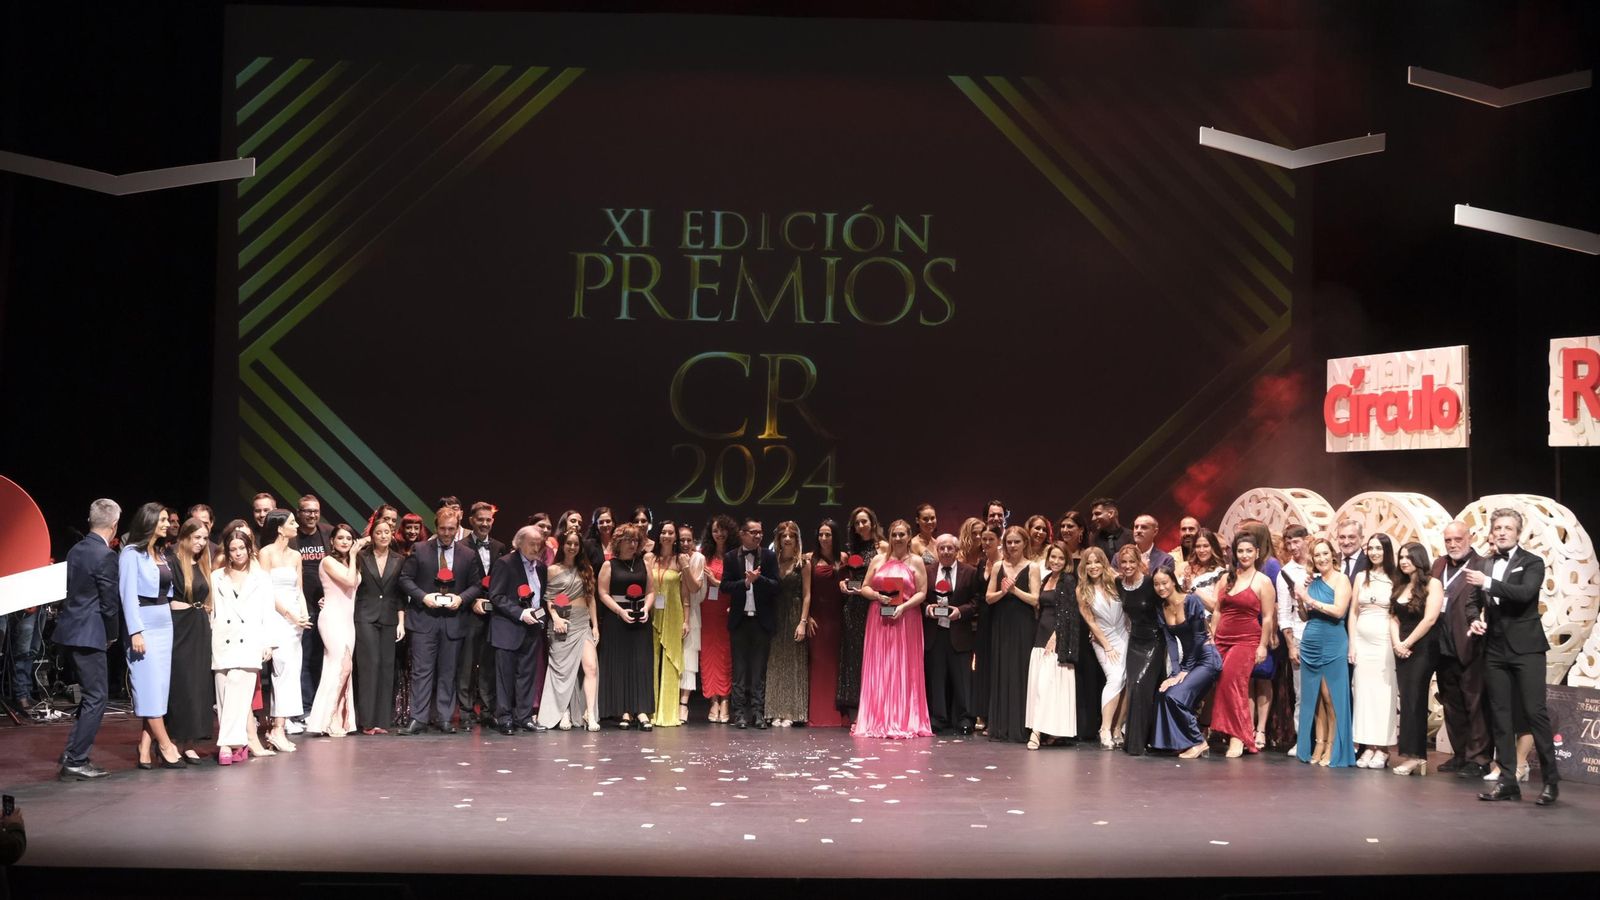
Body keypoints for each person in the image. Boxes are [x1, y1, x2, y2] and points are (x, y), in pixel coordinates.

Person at [1469, 508, 1560, 805]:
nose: (1502, 532)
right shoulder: (1485, 563)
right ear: (1492, 532)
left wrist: (1487, 583)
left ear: (1518, 533)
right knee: (1501, 716)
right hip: (1495, 649)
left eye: (1508, 527)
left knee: (1535, 713)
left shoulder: (1532, 562)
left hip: (1527, 648)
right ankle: (1508, 780)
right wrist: (1475, 618)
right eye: (1498, 527)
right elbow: (1472, 601)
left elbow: (1524, 594)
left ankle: (1550, 781)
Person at [397, 506, 483, 735]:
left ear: (457, 530)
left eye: (451, 529)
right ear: (436, 527)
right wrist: (423, 597)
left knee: (448, 671)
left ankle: (445, 718)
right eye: (443, 529)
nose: (447, 534)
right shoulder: (420, 549)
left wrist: (461, 598)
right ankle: (418, 718)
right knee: (421, 671)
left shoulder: (468, 554)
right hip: (424, 619)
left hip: (454, 621)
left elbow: (477, 585)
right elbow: (405, 579)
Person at [57, 499, 122, 781]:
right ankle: (76, 759)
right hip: (90, 633)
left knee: (90, 696)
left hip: (69, 631)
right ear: (114, 525)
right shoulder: (105, 556)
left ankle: (72, 752)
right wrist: (112, 635)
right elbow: (109, 603)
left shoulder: (76, 550)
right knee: (97, 697)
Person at [119, 502, 185, 770]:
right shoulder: (130, 554)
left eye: (168, 520)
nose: (167, 524)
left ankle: (145, 747)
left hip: (164, 623)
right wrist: (135, 630)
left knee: (159, 689)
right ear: (148, 522)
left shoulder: (161, 553)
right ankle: (167, 746)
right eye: (162, 520)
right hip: (143, 624)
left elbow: (168, 594)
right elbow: (127, 596)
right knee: (148, 687)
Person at [852, 519, 931, 738]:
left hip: (906, 620)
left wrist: (904, 607)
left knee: (904, 667)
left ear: (908, 536)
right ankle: (877, 717)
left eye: (902, 535)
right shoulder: (878, 559)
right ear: (889, 536)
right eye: (894, 535)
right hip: (879, 619)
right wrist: (877, 596)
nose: (898, 539)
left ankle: (904, 718)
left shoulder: (916, 561)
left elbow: (922, 592)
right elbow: (865, 587)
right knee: (880, 667)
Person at [1432, 521, 1492, 777]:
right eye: (1448, 540)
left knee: (1475, 703)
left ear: (1470, 537)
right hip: (1440, 645)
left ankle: (1478, 759)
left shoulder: (1482, 565)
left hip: (1469, 644)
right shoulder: (1439, 564)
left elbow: (1485, 603)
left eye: (1458, 539)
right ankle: (1459, 754)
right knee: (1451, 702)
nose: (1453, 544)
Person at [211, 528, 274, 765]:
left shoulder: (261, 578)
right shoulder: (217, 576)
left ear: (250, 549)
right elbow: (212, 610)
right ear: (227, 552)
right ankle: (237, 743)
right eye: (233, 549)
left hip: (249, 639)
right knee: (224, 693)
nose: (238, 553)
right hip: (222, 638)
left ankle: (226, 744)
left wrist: (268, 642)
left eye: (241, 548)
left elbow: (268, 612)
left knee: (240, 688)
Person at [1211, 531, 1277, 757]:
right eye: (1241, 551)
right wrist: (1211, 637)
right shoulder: (1226, 578)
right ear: (1235, 553)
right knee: (1220, 683)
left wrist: (1262, 645)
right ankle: (1227, 731)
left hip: (1247, 640)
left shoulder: (1263, 581)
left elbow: (1268, 617)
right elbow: (1218, 611)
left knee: (1234, 683)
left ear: (1257, 552)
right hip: (1221, 639)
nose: (1245, 555)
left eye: (1249, 550)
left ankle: (1239, 737)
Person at [1290, 538, 1355, 766]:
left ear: (1333, 555)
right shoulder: (1312, 582)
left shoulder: (1342, 580)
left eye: (1325, 553)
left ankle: (1332, 745)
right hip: (1311, 640)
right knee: (1314, 697)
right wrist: (1300, 601)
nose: (1322, 558)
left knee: (1331, 696)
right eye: (1317, 555)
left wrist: (1309, 599)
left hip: (1333, 640)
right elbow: (1306, 616)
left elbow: (1338, 612)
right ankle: (1318, 742)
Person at [487, 525, 551, 734]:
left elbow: (540, 597)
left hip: (532, 630)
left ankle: (523, 717)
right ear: (519, 543)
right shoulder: (505, 563)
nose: (536, 547)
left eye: (538, 544)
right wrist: (521, 613)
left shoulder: (541, 567)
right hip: (508, 629)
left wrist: (540, 616)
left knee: (527, 674)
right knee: (505, 676)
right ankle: (504, 718)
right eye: (531, 543)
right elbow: (496, 597)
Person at [1152, 567, 1221, 757]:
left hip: (1207, 658)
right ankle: (1176, 743)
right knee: (1164, 692)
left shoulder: (1191, 601)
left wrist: (1185, 670)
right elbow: (1171, 642)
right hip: (1188, 660)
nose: (1161, 587)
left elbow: (1199, 638)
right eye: (1156, 584)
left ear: (1173, 581)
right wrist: (1175, 673)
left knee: (1176, 697)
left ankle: (1198, 741)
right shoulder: (1161, 608)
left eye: (1164, 582)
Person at [719, 519, 779, 729]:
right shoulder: (731, 557)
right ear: (743, 534)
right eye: (753, 532)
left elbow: (775, 586)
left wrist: (758, 579)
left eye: (760, 533)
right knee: (740, 670)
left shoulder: (769, 556)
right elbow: (724, 586)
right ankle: (739, 714)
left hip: (761, 621)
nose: (757, 536)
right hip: (740, 620)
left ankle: (758, 713)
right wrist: (745, 583)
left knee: (758, 670)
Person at [1390, 541, 1443, 775]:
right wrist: (1396, 644)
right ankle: (1411, 754)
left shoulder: (1433, 584)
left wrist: (1407, 643)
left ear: (1419, 559)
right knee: (1408, 699)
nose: (1404, 561)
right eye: (1401, 557)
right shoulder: (1399, 586)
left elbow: (1430, 619)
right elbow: (1392, 618)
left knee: (1415, 700)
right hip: (1401, 647)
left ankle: (1416, 756)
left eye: (1409, 557)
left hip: (1422, 648)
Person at [259, 509, 311, 750]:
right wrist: (289, 614)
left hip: (294, 622)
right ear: (279, 528)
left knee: (291, 672)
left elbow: (299, 588)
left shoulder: (295, 556)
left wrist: (302, 613)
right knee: (281, 672)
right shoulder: (266, 553)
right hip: (275, 618)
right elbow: (265, 593)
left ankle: (280, 726)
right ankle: (277, 729)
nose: (296, 526)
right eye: (292, 523)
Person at [164, 518, 215, 763]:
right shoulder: (172, 562)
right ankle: (173, 739)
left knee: (199, 684)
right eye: (196, 538)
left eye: (204, 538)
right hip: (180, 625)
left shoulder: (203, 563)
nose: (201, 543)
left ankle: (191, 742)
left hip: (199, 626)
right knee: (181, 683)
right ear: (185, 537)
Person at [539, 529, 598, 731]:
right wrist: (555, 618)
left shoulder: (586, 569)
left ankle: (590, 713)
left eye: (576, 544)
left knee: (590, 667)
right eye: (569, 543)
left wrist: (595, 626)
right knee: (562, 671)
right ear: (562, 545)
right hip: (562, 622)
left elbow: (591, 600)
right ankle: (562, 711)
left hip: (582, 623)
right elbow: (549, 600)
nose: (572, 547)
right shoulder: (553, 569)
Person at [983, 525, 1038, 744]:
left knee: (1021, 671)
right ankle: (1001, 726)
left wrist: (1014, 591)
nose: (1012, 546)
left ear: (1025, 543)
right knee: (1003, 670)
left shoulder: (1032, 567)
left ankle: (1021, 726)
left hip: (1024, 624)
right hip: (1002, 624)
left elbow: (1035, 599)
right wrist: (1003, 592)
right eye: (1009, 542)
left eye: (1017, 542)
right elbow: (988, 598)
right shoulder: (998, 566)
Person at [598, 523, 656, 728]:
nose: (633, 544)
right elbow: (603, 593)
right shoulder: (609, 565)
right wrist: (620, 611)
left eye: (635, 540)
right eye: (628, 540)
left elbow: (650, 591)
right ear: (618, 542)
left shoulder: (644, 563)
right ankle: (623, 711)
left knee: (640, 663)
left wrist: (646, 609)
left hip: (640, 619)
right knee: (620, 664)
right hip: (617, 619)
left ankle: (641, 711)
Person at [1350, 533, 1399, 769]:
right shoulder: (1361, 576)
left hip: (1384, 641)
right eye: (1370, 548)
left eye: (1379, 548)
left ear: (1387, 551)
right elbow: (1352, 612)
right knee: (1363, 694)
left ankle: (1384, 748)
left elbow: (1396, 614)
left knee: (1383, 694)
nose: (1374, 552)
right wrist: (1352, 643)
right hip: (1361, 640)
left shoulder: (1396, 577)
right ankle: (1368, 746)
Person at [306, 523, 360, 737]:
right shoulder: (328, 561)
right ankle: (328, 719)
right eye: (341, 538)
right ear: (332, 541)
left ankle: (337, 718)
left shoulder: (350, 561)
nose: (345, 542)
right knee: (341, 666)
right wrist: (355, 555)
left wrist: (354, 557)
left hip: (347, 621)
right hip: (332, 619)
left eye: (349, 538)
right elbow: (348, 581)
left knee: (342, 668)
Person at [352, 518, 404, 735]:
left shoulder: (399, 559)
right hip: (365, 616)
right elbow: (351, 584)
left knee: (386, 667)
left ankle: (382, 721)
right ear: (371, 536)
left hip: (390, 617)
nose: (383, 536)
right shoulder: (361, 557)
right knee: (369, 666)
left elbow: (400, 594)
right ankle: (367, 721)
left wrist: (402, 622)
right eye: (379, 532)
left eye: (387, 532)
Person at [925, 533, 980, 735]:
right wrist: (927, 608)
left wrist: (961, 611)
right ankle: (938, 718)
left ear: (957, 551)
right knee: (937, 678)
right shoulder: (928, 571)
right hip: (935, 632)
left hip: (959, 632)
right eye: (942, 548)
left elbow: (977, 601)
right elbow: (920, 597)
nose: (946, 551)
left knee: (963, 678)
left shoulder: (970, 572)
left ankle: (965, 718)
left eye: (950, 548)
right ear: (936, 551)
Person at [1024, 544, 1077, 749]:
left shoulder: (1068, 580)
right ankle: (1049, 730)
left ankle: (1036, 732)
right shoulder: (1047, 579)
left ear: (1067, 561)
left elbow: (1068, 612)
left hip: (1055, 640)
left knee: (1049, 686)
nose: (1056, 561)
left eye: (1060, 558)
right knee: (1040, 685)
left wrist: (1056, 636)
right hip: (1040, 636)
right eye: (1053, 557)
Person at [458, 501, 504, 729]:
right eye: (480, 519)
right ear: (471, 521)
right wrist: (472, 600)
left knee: (488, 665)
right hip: (468, 613)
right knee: (467, 664)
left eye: (488, 520)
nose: (484, 523)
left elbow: (504, 581)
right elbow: (456, 582)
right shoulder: (460, 546)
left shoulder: (499, 547)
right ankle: (466, 713)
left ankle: (487, 711)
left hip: (493, 614)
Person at [291, 494, 334, 733]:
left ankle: (321, 706)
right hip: (301, 608)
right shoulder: (291, 537)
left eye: (316, 511)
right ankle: (305, 708)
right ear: (299, 513)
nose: (312, 515)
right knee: (305, 659)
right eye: (307, 511)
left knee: (322, 657)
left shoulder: (327, 533)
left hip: (327, 607)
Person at [1114, 544, 1163, 756]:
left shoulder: (1151, 583)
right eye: (1123, 562)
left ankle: (1142, 740)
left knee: (1143, 686)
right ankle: (1133, 742)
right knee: (1133, 687)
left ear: (1139, 563)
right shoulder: (1118, 584)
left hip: (1154, 641)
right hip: (1135, 642)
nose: (1127, 566)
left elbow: (1169, 603)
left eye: (1131, 562)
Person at [838, 506, 884, 723]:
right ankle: (855, 708)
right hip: (853, 607)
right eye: (857, 523)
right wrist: (845, 584)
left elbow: (884, 577)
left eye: (864, 521)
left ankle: (875, 705)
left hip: (874, 605)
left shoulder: (882, 547)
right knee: (854, 657)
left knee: (874, 656)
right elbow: (854, 578)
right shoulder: (851, 550)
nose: (861, 526)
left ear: (873, 523)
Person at [1077, 546, 1126, 749]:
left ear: (1104, 563)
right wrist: (1106, 646)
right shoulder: (1082, 590)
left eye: (1097, 561)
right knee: (1115, 678)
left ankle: (1118, 728)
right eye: (1088, 563)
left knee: (1127, 680)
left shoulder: (1116, 581)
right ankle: (1105, 728)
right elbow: (1091, 622)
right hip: (1103, 639)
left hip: (1126, 635)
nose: (1093, 566)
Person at [761, 521, 808, 726]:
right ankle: (775, 710)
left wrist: (803, 622)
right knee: (775, 662)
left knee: (793, 662)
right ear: (778, 539)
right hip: (776, 614)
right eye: (783, 536)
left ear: (797, 539)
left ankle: (791, 712)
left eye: (791, 535)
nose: (787, 539)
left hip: (795, 613)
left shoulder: (803, 564)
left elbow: (807, 595)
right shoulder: (773, 561)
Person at [648, 521, 692, 727]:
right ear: (659, 535)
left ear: (675, 537)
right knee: (651, 662)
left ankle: (667, 713)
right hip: (651, 614)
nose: (666, 535)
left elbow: (687, 592)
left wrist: (686, 620)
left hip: (673, 614)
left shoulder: (681, 560)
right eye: (663, 532)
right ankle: (650, 711)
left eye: (670, 533)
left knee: (670, 662)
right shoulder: (649, 558)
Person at [805, 519, 846, 728]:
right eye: (820, 534)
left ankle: (838, 713)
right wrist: (808, 616)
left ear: (835, 536)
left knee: (836, 664)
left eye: (827, 534)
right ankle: (819, 713)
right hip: (817, 618)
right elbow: (805, 592)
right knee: (819, 663)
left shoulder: (844, 558)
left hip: (838, 617)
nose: (823, 538)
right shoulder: (809, 559)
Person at [1275, 525, 1311, 754]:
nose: (1293, 547)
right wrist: (1290, 645)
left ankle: (1330, 740)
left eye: (1296, 542)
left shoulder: (1321, 565)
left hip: (1327, 634)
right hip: (1299, 635)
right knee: (1302, 693)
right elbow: (1284, 613)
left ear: (1307, 540)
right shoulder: (1285, 572)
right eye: (1289, 543)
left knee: (1329, 693)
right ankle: (1304, 739)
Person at [698, 514, 737, 723]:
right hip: (707, 610)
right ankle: (713, 700)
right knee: (708, 656)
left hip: (728, 609)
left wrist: (716, 581)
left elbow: (739, 584)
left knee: (726, 656)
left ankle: (725, 700)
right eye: (715, 530)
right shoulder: (703, 554)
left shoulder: (735, 555)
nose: (719, 534)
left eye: (722, 530)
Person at [675, 524, 706, 724]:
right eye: (682, 540)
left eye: (689, 540)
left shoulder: (698, 559)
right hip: (670, 612)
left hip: (692, 614)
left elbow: (695, 587)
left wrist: (685, 566)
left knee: (688, 660)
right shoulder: (670, 557)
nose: (685, 544)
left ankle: (683, 704)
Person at [1177, 528, 1227, 611]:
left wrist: (1192, 588)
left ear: (1213, 547)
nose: (1201, 550)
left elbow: (1214, 606)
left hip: (1204, 621)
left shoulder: (1221, 573)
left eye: (1206, 546)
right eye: (1198, 546)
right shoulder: (1185, 568)